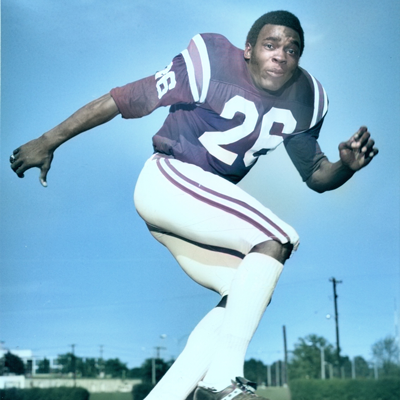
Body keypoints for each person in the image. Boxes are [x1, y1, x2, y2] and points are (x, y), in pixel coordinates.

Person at [10, 10, 377, 400]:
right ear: (249, 49)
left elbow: (316, 175)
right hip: (168, 178)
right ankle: (223, 379)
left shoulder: (307, 99)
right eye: (271, 45)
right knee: (277, 238)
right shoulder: (211, 59)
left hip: (201, 208)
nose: (281, 55)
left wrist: (346, 168)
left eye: (292, 49)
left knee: (246, 291)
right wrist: (49, 140)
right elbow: (123, 99)